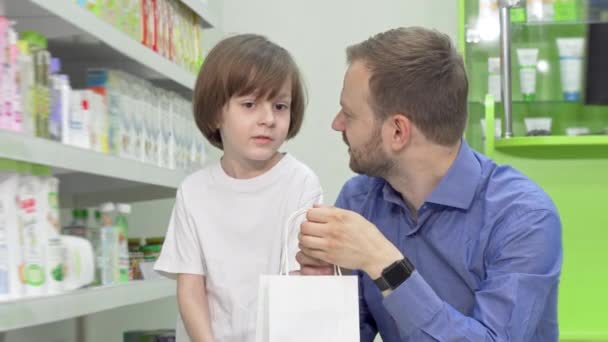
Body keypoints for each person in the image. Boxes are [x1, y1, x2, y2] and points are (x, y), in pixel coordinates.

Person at [297, 27, 562, 341]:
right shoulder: (360, 200)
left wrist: (384, 262)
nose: (336, 123)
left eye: (349, 113)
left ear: (398, 132)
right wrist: (323, 294)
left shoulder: (523, 218)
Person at [154, 34, 322, 342]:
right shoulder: (194, 192)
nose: (268, 119)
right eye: (249, 104)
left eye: (281, 106)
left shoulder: (300, 183)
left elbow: (298, 282)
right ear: (217, 112)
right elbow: (190, 288)